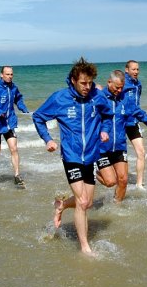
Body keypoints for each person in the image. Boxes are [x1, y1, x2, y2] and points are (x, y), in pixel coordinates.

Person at [32, 57, 113, 256]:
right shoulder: (60, 98)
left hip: (91, 154)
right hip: (71, 156)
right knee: (83, 201)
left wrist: (104, 129)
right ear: (74, 80)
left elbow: (108, 115)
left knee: (88, 202)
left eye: (90, 83)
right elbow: (38, 117)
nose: (87, 87)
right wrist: (48, 140)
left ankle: (62, 205)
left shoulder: (98, 96)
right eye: (83, 83)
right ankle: (85, 247)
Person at [97, 70, 147, 203]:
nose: (119, 90)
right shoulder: (99, 98)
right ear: (109, 82)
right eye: (116, 87)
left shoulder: (126, 99)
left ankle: (117, 206)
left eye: (122, 87)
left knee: (123, 180)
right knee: (110, 182)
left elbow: (139, 113)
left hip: (119, 146)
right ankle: (94, 172)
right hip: (101, 147)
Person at [123, 60, 147, 190]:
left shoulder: (138, 85)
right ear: (126, 70)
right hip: (120, 123)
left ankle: (139, 184)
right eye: (133, 69)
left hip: (133, 122)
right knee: (118, 156)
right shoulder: (121, 83)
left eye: (137, 69)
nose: (136, 72)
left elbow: (136, 107)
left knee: (141, 152)